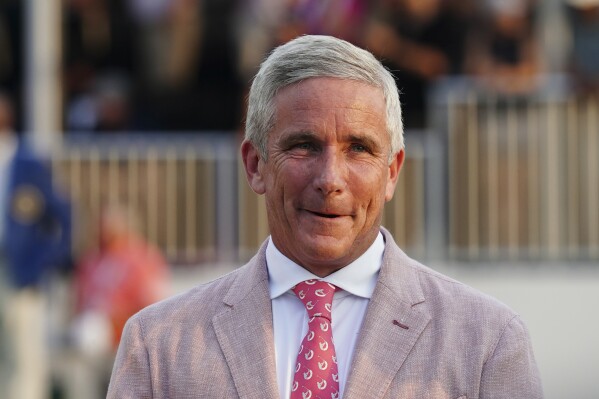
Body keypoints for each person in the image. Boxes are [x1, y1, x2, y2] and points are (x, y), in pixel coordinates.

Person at [108, 35, 543, 398]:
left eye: (359, 148)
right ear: (255, 165)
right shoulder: (159, 346)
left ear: (391, 172)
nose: (330, 179)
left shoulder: (486, 342)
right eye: (304, 145)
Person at [0, 92, 72, 399]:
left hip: (18, 272)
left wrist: (46, 259)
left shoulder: (27, 161)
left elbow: (63, 214)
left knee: (25, 358)